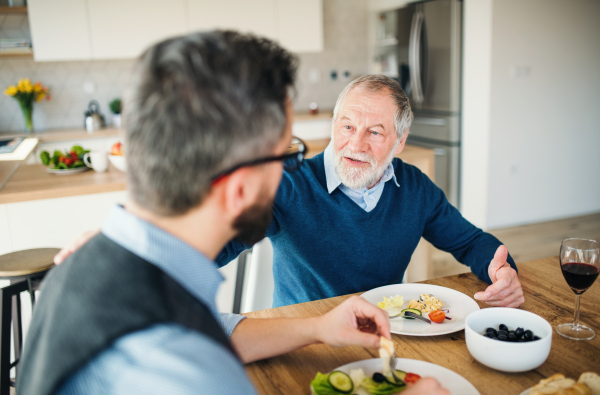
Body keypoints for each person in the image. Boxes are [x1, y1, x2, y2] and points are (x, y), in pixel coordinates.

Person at [17, 32, 449, 395]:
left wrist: (317, 328)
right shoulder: (194, 376)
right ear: (241, 186)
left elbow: (212, 327)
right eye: (288, 155)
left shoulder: (101, 264)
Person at [56, 74, 524, 310]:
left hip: (387, 332)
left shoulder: (415, 190)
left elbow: (471, 243)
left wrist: (500, 271)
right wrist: (128, 246)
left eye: (375, 133)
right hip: (299, 338)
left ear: (399, 142)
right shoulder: (289, 182)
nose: (355, 145)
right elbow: (210, 243)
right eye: (346, 126)